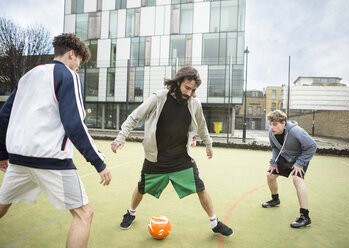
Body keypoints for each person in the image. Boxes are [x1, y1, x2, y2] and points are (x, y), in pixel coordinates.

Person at [0, 33, 112, 247]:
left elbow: (4, 116)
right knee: (84, 214)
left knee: (2, 205)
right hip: (51, 162)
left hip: (18, 160)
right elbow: (74, 124)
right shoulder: (67, 76)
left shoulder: (28, 76)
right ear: (72, 54)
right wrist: (99, 162)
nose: (78, 66)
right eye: (79, 61)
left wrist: (2, 154)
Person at [111, 66, 233, 237]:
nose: (189, 93)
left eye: (193, 90)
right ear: (178, 82)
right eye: (187, 88)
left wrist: (208, 143)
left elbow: (202, 124)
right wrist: (121, 137)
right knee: (141, 188)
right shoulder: (159, 97)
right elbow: (135, 116)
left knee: (200, 187)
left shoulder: (194, 103)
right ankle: (131, 213)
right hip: (156, 158)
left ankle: (214, 223)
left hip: (181, 158)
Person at [262, 110, 317, 228]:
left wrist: (300, 163)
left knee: (297, 179)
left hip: (300, 158)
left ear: (283, 123)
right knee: (270, 175)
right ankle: (275, 199)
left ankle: (305, 217)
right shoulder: (271, 132)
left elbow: (312, 146)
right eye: (270, 124)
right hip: (285, 156)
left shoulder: (296, 131)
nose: (272, 127)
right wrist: (273, 163)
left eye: (275, 124)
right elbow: (275, 148)